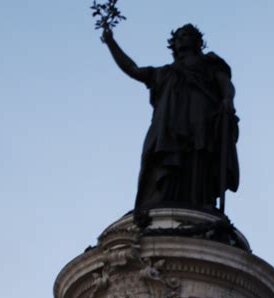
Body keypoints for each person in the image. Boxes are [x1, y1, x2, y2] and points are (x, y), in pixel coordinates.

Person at [102, 23, 239, 213]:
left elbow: (225, 84)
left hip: (201, 113)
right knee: (163, 155)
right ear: (173, 44)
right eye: (179, 36)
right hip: (168, 123)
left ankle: (201, 200)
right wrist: (111, 42)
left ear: (197, 41)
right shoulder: (163, 73)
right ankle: (162, 197)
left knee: (200, 152)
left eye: (187, 35)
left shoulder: (210, 63)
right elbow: (133, 69)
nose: (182, 39)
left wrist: (228, 100)